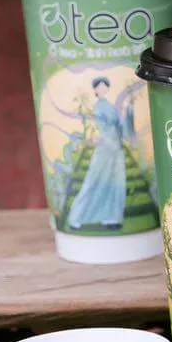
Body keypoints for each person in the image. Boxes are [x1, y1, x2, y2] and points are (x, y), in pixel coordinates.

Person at [67, 76, 129, 230]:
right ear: (95, 89)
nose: (102, 88)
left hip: (116, 145)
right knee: (94, 179)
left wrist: (127, 111)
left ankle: (112, 218)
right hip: (105, 145)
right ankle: (77, 217)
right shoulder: (98, 107)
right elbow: (97, 128)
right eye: (99, 86)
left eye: (104, 85)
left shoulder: (110, 106)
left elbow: (121, 126)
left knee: (116, 181)